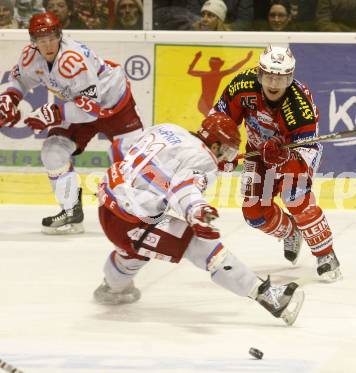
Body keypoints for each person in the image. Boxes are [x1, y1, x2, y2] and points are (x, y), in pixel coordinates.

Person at [93, 112, 305, 326]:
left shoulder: (168, 129)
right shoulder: (204, 159)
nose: (227, 157)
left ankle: (112, 287)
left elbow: (146, 155)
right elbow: (184, 187)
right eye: (227, 151)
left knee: (134, 251)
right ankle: (270, 298)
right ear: (215, 146)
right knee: (203, 248)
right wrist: (197, 211)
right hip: (131, 219)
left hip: (108, 202)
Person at [0, 11, 144, 234]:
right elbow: (20, 79)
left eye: (52, 38)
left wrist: (54, 113)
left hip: (115, 105)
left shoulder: (73, 60)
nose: (48, 45)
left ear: (60, 35)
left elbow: (91, 111)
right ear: (33, 41)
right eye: (41, 40)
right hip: (79, 105)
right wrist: (10, 97)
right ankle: (71, 213)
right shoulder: (31, 55)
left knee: (132, 160)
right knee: (52, 151)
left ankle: (142, 216)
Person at [211, 46, 342, 281]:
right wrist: (222, 154)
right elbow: (220, 122)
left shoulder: (299, 106)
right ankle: (291, 232)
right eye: (269, 76)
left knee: (295, 197)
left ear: (290, 79)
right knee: (254, 214)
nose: (274, 83)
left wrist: (283, 157)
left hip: (294, 153)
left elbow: (305, 156)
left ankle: (325, 253)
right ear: (260, 74)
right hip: (256, 151)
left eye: (281, 78)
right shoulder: (241, 86)